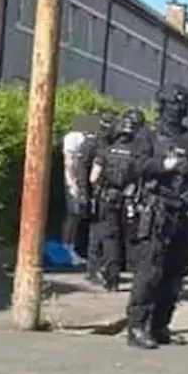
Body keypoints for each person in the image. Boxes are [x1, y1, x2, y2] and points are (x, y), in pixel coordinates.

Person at [123, 84, 188, 349]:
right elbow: (134, 167)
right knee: (150, 272)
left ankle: (159, 325)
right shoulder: (149, 136)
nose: (178, 110)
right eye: (173, 104)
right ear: (163, 105)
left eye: (183, 105)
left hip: (184, 213)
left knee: (176, 273)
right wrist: (163, 165)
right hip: (156, 211)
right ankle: (136, 327)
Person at [85, 109, 146, 292]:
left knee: (109, 238)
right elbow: (140, 178)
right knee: (127, 238)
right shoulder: (137, 153)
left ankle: (111, 278)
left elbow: (93, 178)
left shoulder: (106, 151)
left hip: (107, 198)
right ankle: (132, 273)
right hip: (127, 199)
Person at [75, 112, 115, 279]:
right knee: (94, 231)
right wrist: (84, 193)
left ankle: (102, 266)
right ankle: (93, 268)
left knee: (103, 231)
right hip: (93, 192)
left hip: (105, 192)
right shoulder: (92, 143)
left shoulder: (109, 143)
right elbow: (82, 169)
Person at [60, 125, 89, 264]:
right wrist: (72, 182)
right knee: (72, 214)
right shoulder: (73, 137)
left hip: (81, 181)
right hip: (73, 182)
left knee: (77, 215)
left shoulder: (86, 137)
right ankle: (66, 249)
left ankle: (71, 248)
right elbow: (69, 162)